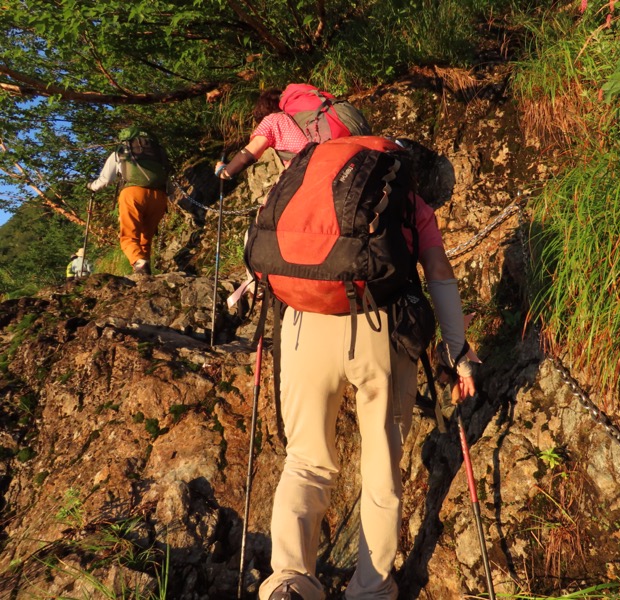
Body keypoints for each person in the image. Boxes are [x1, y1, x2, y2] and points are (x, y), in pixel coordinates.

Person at [258, 143, 476, 600]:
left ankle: (289, 582)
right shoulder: (404, 198)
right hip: (378, 328)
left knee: (305, 463)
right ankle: (371, 589)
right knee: (380, 468)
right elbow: (436, 268)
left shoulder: (302, 180)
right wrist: (457, 351)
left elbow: (259, 248)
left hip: (301, 324)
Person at [215, 84, 366, 181]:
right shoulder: (305, 116)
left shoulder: (272, 120)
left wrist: (224, 171)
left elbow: (248, 154)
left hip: (321, 170)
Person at [88, 127, 170, 275]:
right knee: (146, 238)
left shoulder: (121, 152)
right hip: (159, 196)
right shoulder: (158, 152)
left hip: (133, 194)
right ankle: (144, 272)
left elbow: (105, 180)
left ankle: (139, 263)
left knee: (129, 236)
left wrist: (91, 187)